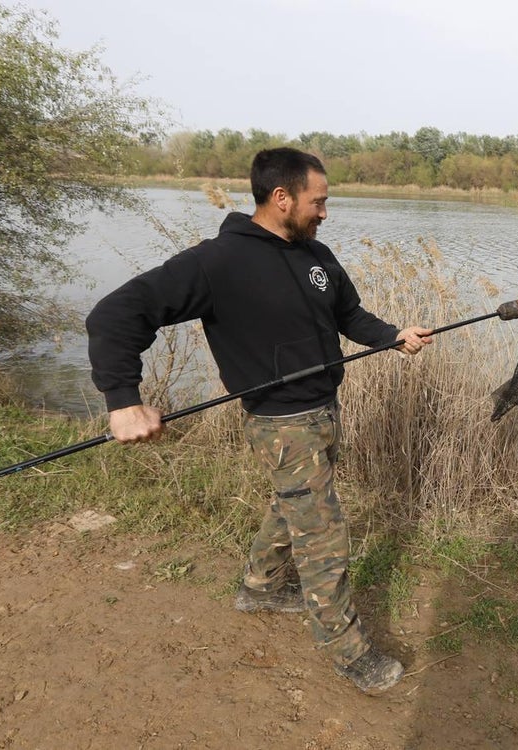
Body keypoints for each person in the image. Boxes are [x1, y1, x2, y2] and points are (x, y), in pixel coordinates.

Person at [85, 147, 432, 695]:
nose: (324, 212)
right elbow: (115, 313)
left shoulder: (317, 255)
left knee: (290, 502)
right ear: (282, 198)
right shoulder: (217, 262)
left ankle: (261, 585)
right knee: (322, 535)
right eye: (318, 202)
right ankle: (349, 652)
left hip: (322, 410)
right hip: (279, 422)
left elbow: (349, 315)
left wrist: (392, 335)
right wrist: (124, 397)